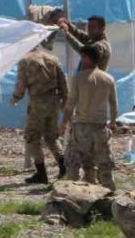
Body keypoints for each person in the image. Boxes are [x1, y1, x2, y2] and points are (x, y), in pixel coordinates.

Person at [60, 45, 118, 190]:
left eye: (82, 57)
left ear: (86, 58)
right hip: (100, 127)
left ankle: (75, 194)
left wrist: (64, 124)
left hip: (82, 127)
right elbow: (113, 105)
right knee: (104, 166)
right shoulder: (108, 79)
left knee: (74, 163)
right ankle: (109, 196)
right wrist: (113, 122)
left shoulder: (79, 78)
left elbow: (70, 104)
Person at [10, 45, 68, 184]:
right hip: (53, 101)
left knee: (32, 138)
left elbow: (21, 84)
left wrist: (15, 98)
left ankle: (41, 173)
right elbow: (63, 83)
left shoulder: (25, 61)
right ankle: (63, 166)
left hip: (37, 103)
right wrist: (64, 101)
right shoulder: (52, 59)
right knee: (51, 136)